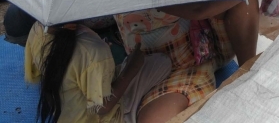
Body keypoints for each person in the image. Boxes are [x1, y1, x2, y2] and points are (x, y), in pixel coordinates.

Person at [115, 0, 279, 121]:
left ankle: (247, 71)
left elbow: (200, 8)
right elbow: (196, 10)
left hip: (204, 48)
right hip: (160, 73)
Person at [25, 21, 171, 123]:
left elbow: (37, 74)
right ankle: (131, 115)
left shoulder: (36, 29)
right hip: (100, 117)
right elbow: (102, 108)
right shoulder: (93, 50)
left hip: (66, 113)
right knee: (162, 62)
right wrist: (132, 68)